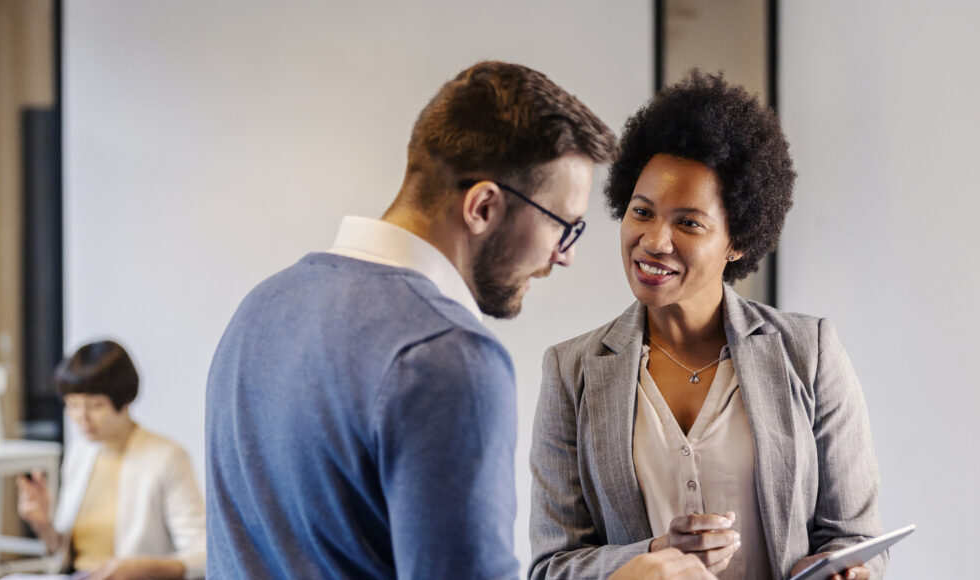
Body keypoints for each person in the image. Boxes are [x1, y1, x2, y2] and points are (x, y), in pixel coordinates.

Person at [205, 61, 712, 579]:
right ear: (483, 207)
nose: (564, 256)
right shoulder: (448, 356)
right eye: (563, 225)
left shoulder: (261, 307)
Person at [528, 71, 885, 580]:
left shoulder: (810, 352)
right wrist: (650, 555)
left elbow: (857, 538)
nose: (655, 241)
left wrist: (849, 570)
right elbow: (551, 567)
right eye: (642, 212)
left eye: (688, 223)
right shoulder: (571, 371)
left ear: (737, 241)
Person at [16, 340, 205, 580]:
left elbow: (203, 555)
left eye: (95, 406)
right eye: (72, 405)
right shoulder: (81, 453)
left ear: (124, 400)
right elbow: (63, 555)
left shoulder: (167, 458)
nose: (81, 417)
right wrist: (43, 524)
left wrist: (144, 569)